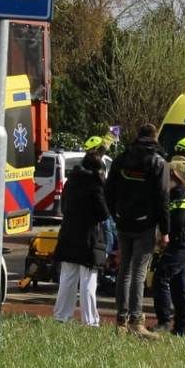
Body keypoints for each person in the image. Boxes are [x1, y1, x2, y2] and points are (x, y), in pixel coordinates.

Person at [106, 124, 171, 337]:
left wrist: (115, 214)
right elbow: (163, 198)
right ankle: (136, 320)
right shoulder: (158, 162)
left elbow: (108, 190)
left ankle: (121, 321)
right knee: (139, 273)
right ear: (154, 138)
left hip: (124, 221)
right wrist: (165, 230)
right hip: (146, 224)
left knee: (124, 271)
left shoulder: (122, 158)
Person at [52, 136, 110, 327]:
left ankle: (61, 315)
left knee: (67, 278)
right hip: (89, 238)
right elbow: (103, 214)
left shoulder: (71, 182)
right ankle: (90, 321)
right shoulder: (95, 186)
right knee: (88, 282)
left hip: (69, 235)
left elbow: (64, 206)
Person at [153, 153, 185, 336]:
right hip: (184, 243)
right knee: (179, 284)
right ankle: (180, 328)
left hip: (181, 242)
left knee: (160, 278)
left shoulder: (179, 194)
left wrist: (164, 236)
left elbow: (176, 221)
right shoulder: (181, 192)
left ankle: (164, 321)